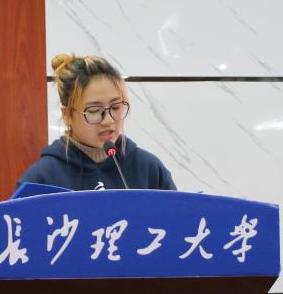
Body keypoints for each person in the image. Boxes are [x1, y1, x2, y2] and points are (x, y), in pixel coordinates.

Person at [18, 53, 176, 191]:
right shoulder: (41, 179)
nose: (108, 120)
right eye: (94, 110)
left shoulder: (149, 169)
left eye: (116, 107)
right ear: (67, 115)